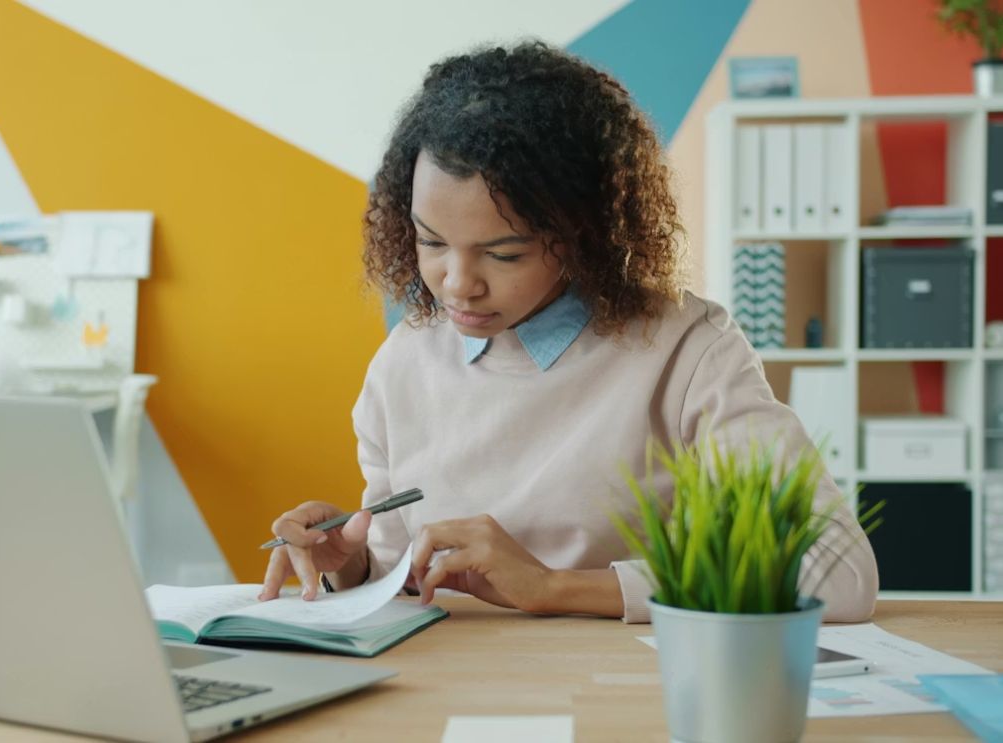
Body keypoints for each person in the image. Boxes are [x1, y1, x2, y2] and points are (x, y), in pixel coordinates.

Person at [258, 42, 878, 623]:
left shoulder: (689, 352)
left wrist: (557, 588)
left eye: (504, 255)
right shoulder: (404, 363)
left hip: (623, 694)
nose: (456, 285)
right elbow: (403, 580)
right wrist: (353, 565)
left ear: (586, 233)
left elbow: (836, 575)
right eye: (431, 242)